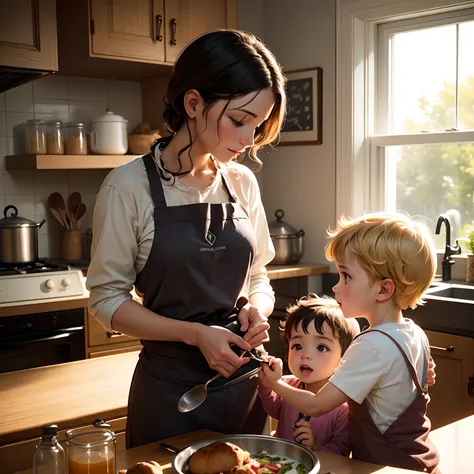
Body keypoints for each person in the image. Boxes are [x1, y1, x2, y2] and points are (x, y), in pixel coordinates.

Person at [86, 29, 287, 448]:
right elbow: (107, 301)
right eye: (239, 120)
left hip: (242, 385)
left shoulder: (242, 182)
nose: (249, 140)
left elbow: (259, 275)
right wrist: (195, 334)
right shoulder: (127, 188)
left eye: (258, 125)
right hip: (169, 392)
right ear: (193, 103)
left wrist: (257, 307)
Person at [259, 212, 440, 472]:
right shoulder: (414, 332)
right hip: (421, 459)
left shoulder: (371, 345)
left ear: (383, 289)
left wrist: (275, 383)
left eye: (346, 276)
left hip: (387, 466)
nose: (336, 287)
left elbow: (317, 405)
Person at [258, 294, 360, 456]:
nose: (305, 355)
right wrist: (266, 383)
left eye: (321, 348)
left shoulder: (343, 408)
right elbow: (273, 408)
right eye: (297, 346)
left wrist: (314, 446)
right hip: (280, 462)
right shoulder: (288, 384)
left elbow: (341, 452)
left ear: (344, 359)